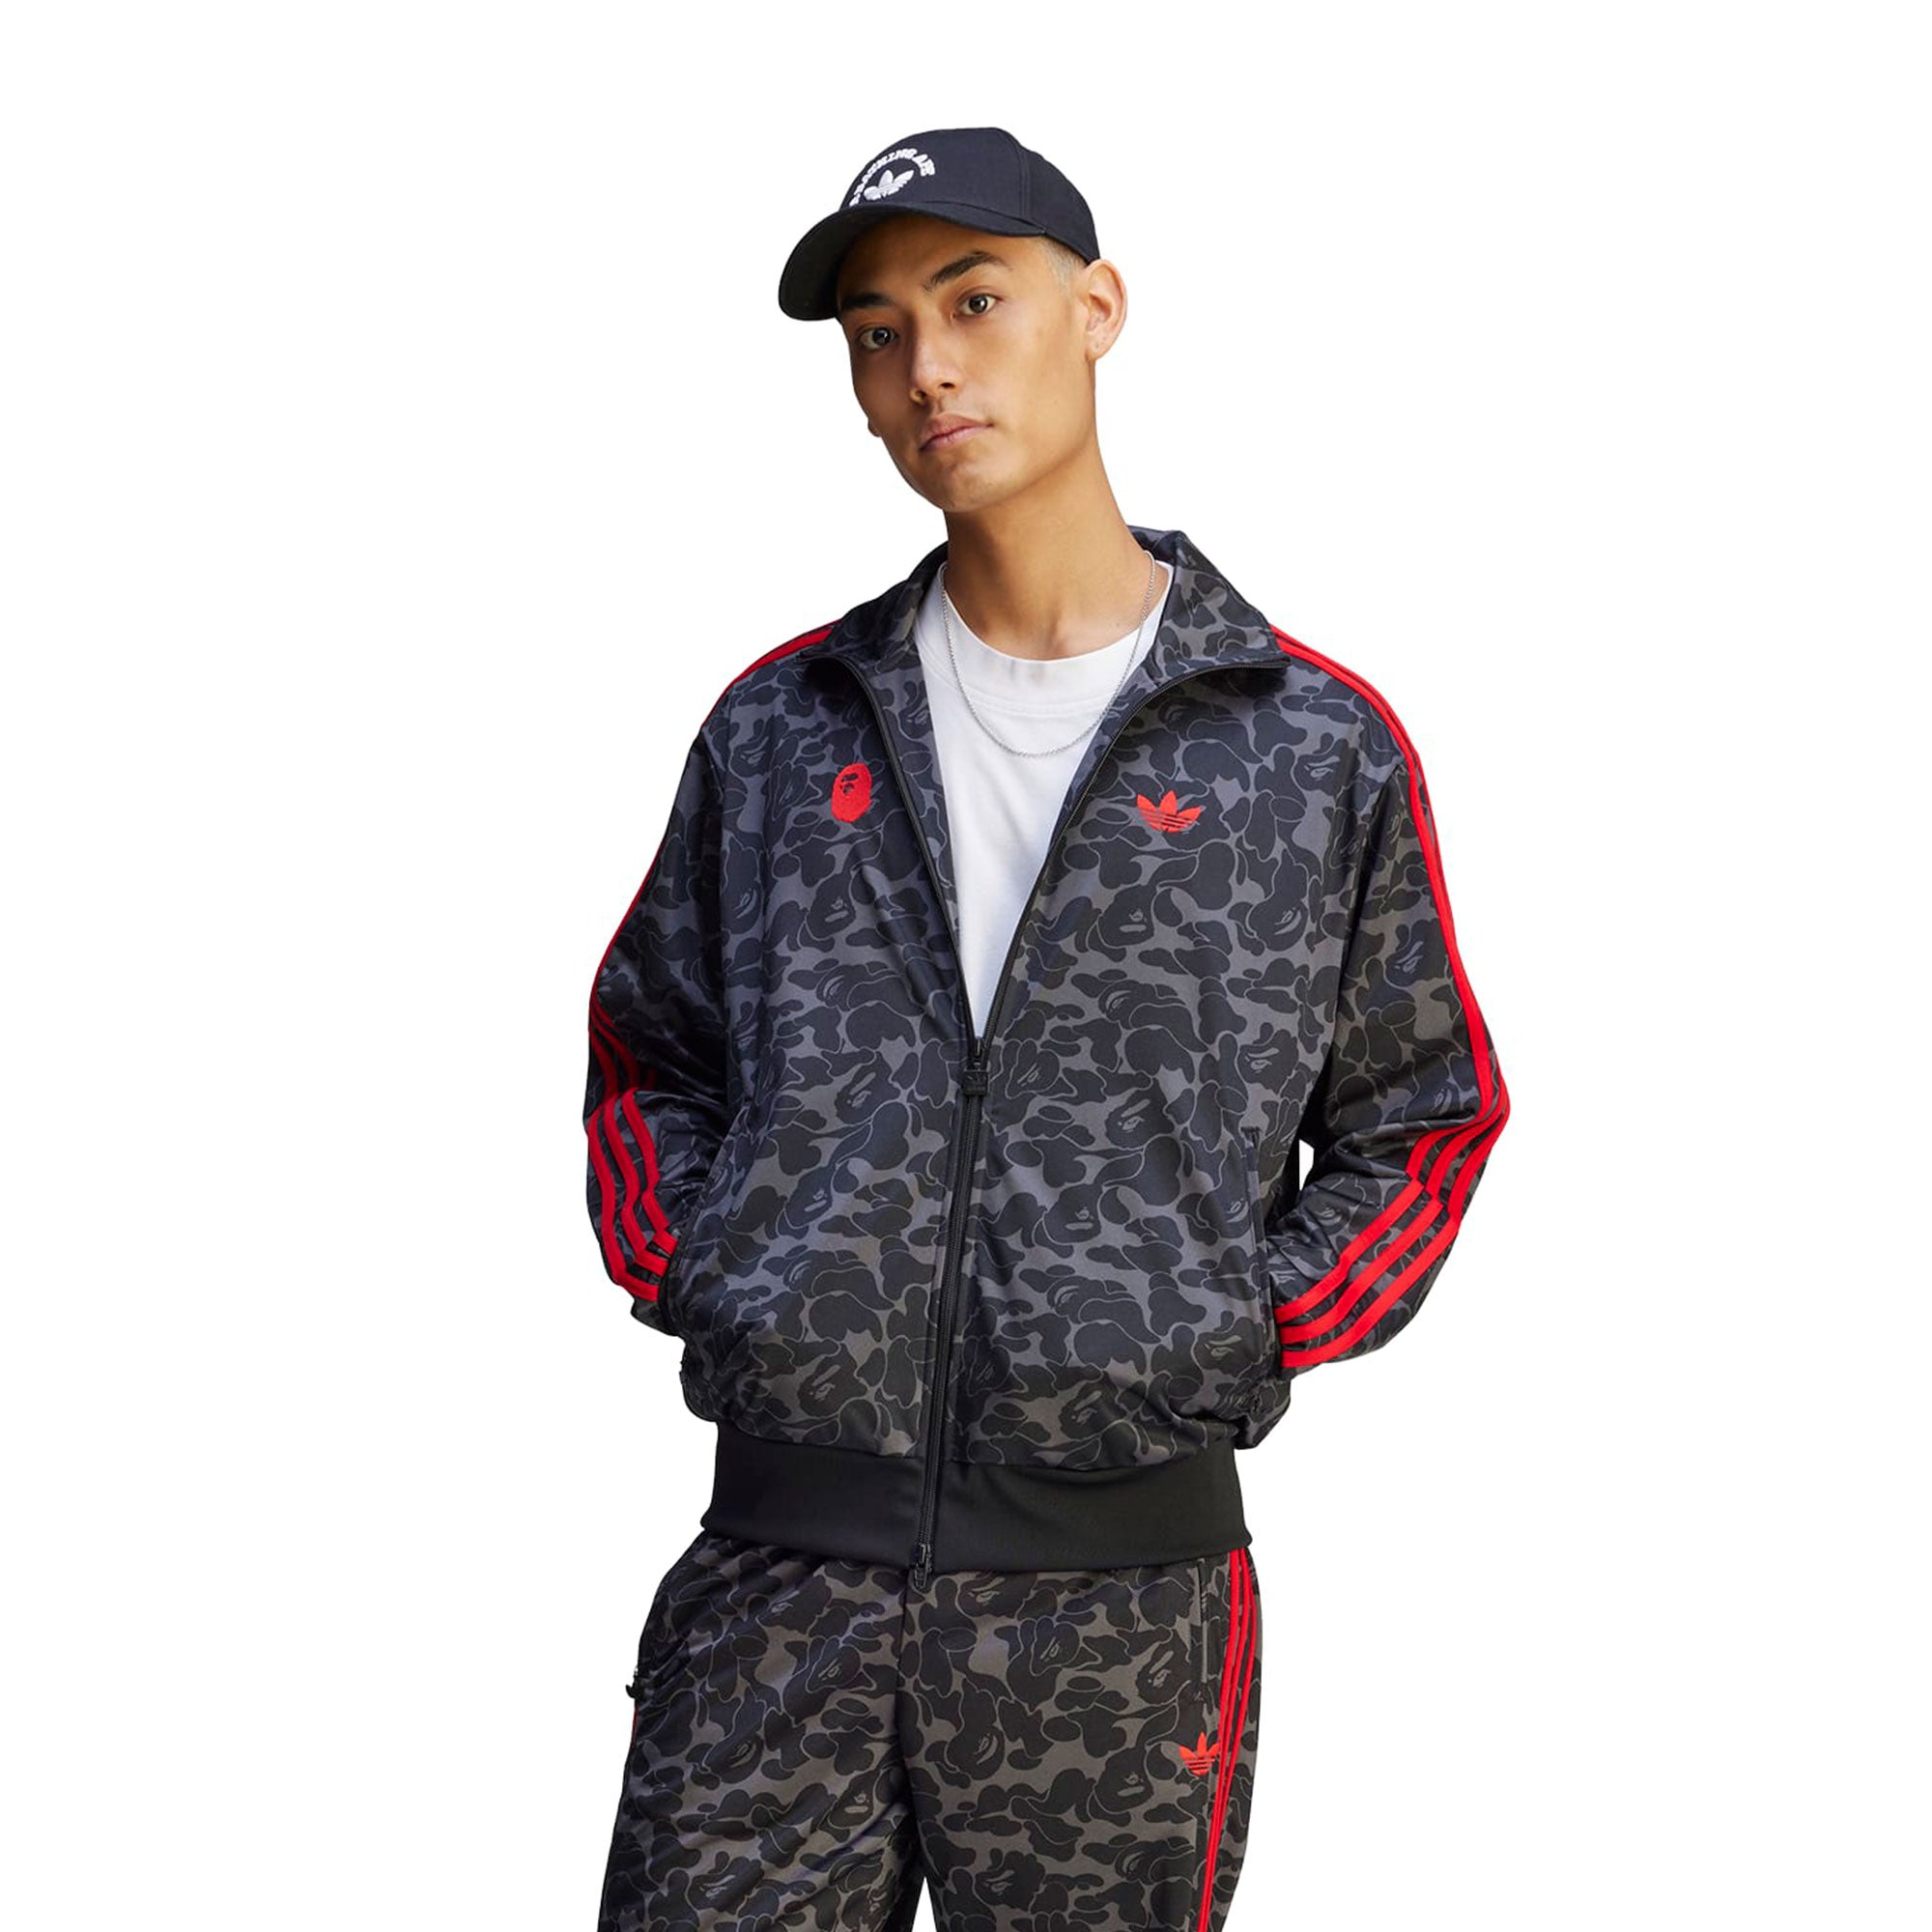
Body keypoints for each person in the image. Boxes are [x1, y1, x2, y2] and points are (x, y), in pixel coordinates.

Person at [582, 125, 1510, 1932]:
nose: (925, 368)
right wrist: (723, 1271)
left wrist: (1232, 1326)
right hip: (777, 1586)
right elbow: (649, 1054)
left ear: (1098, 310)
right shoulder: (784, 725)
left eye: (974, 302)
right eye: (875, 334)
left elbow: (1424, 1111)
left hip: (1123, 1609)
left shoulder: (1305, 742)